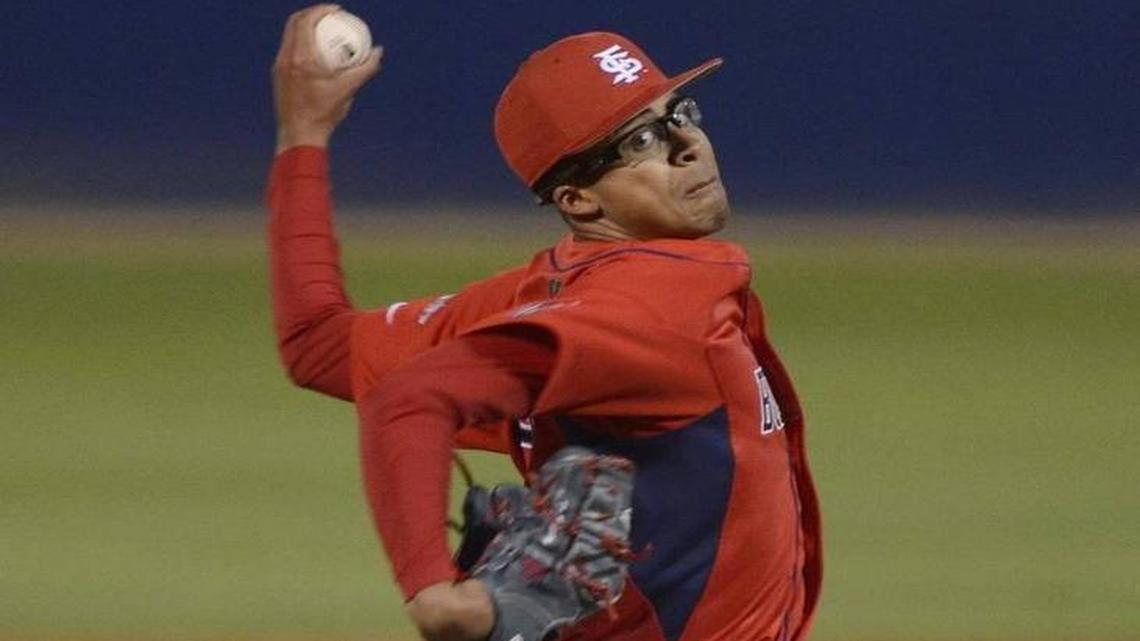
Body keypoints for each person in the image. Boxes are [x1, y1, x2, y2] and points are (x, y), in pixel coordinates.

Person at [268, 5, 822, 641]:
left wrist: (301, 139)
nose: (688, 146)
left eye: (680, 113)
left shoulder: (540, 294)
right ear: (578, 199)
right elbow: (410, 397)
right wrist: (435, 594)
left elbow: (318, 345)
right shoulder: (659, 305)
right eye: (640, 141)